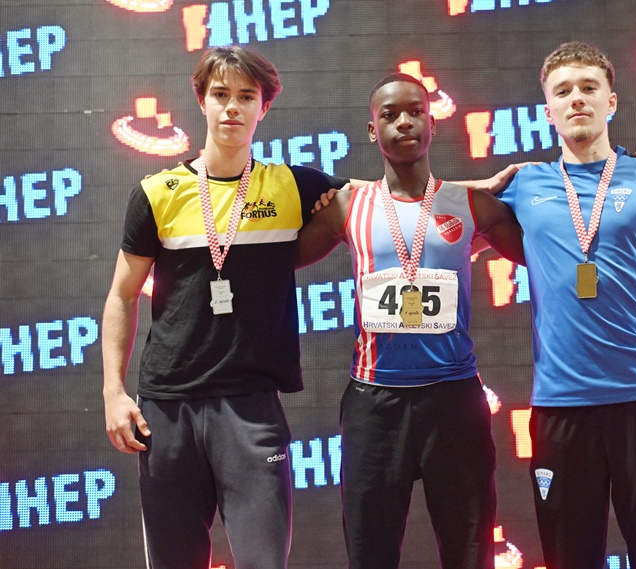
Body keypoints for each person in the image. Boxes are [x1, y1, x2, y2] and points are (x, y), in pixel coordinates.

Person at [101, 45, 360, 569]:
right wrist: (113, 391)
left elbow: (393, 199)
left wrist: (477, 194)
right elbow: (122, 296)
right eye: (220, 95)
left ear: (264, 107)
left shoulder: (291, 185)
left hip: (251, 408)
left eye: (246, 96)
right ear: (202, 101)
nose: (232, 108)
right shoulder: (157, 193)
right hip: (167, 408)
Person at [495, 41, 636, 568]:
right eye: (562, 91)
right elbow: (433, 205)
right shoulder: (523, 185)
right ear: (548, 110)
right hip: (559, 409)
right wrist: (484, 185)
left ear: (612, 101)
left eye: (588, 87)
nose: (576, 98)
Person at [294, 73, 526, 569]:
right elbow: (275, 260)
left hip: (454, 401)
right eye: (390, 115)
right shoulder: (346, 206)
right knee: (370, 555)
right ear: (372, 130)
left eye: (415, 111)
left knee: (471, 554)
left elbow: (549, 251)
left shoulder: (472, 205)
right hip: (374, 406)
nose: (404, 122)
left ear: (432, 124)